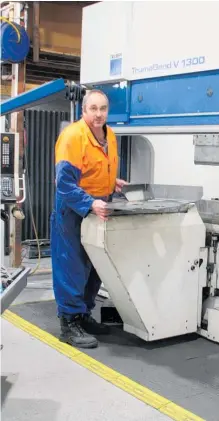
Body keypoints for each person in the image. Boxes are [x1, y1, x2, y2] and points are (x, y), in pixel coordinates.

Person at [50, 89, 127, 349]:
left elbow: (95, 168)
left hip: (98, 208)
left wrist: (110, 182)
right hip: (73, 211)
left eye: (102, 109)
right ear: (83, 111)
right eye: (93, 108)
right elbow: (64, 184)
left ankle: (83, 314)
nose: (98, 114)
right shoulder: (72, 137)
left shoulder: (111, 136)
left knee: (95, 265)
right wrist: (89, 202)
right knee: (72, 265)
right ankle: (68, 323)